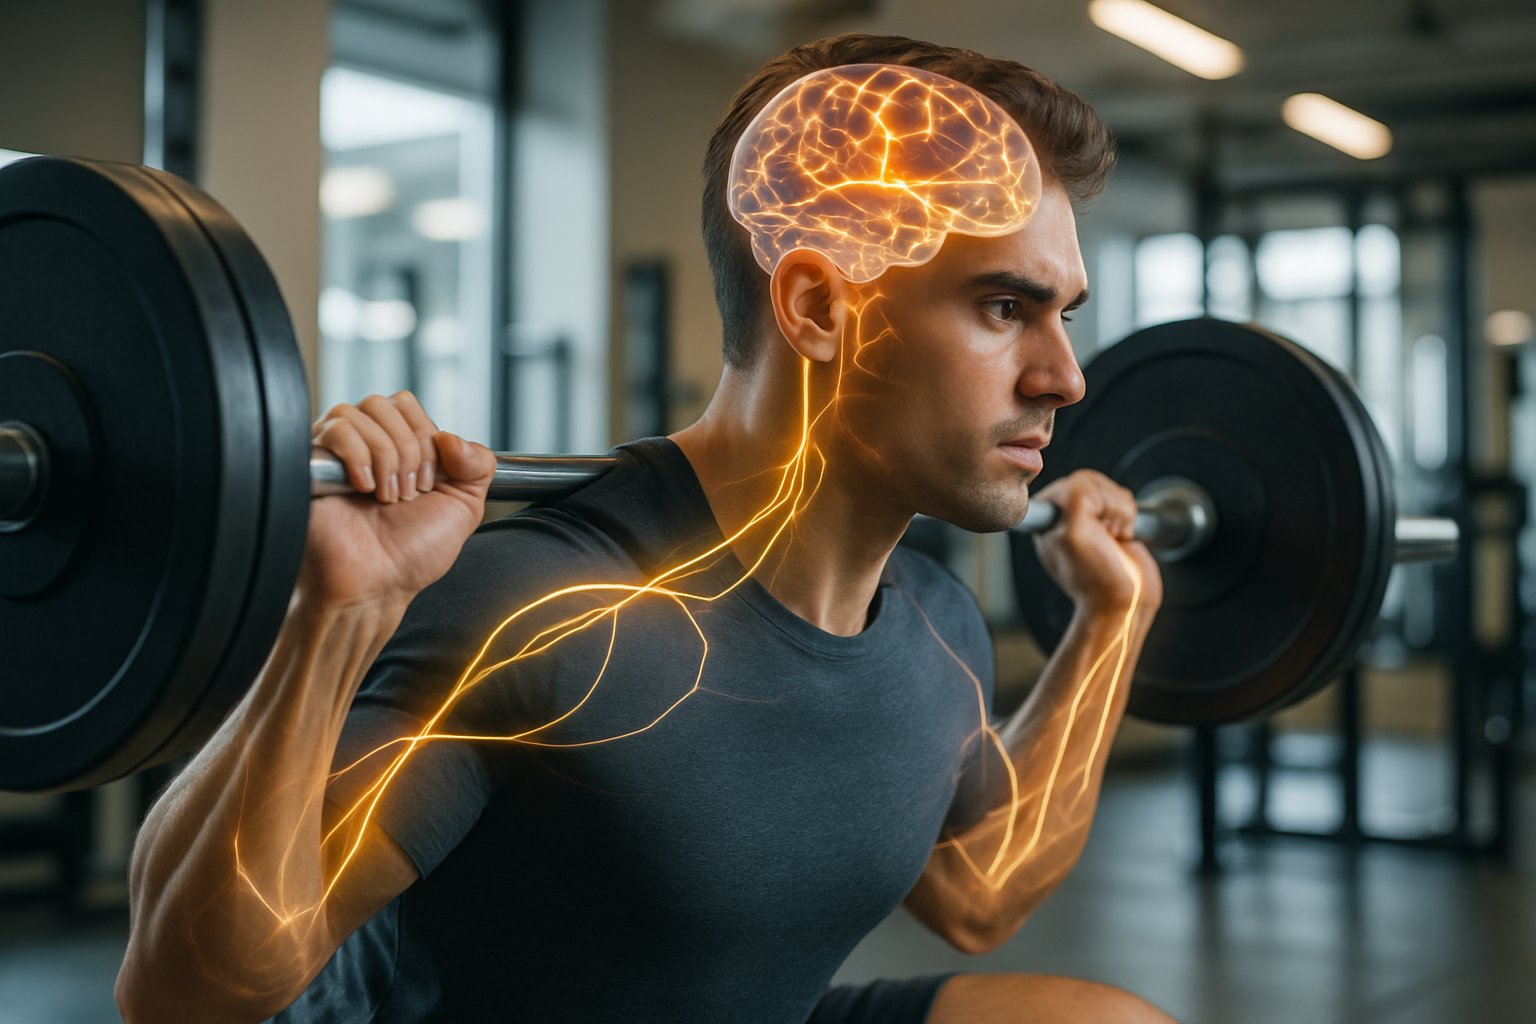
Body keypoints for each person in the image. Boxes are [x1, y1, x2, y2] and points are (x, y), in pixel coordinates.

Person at [118, 32, 1174, 1024]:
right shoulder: (545, 612)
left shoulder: (936, 631)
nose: (1064, 377)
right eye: (1003, 307)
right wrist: (334, 615)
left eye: (1064, 315)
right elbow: (182, 996)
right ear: (817, 309)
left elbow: (980, 892)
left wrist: (1111, 619)